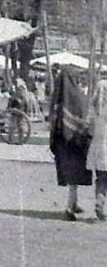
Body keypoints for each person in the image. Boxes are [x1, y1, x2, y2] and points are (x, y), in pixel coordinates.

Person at [49, 67, 93, 220]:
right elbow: (83, 115)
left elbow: (53, 118)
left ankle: (73, 203)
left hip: (61, 140)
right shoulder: (76, 95)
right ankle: (69, 207)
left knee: (70, 176)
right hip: (75, 141)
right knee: (75, 175)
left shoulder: (56, 96)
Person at [87, 79, 107, 220]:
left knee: (101, 178)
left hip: (99, 148)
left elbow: (89, 128)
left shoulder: (94, 109)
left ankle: (99, 201)